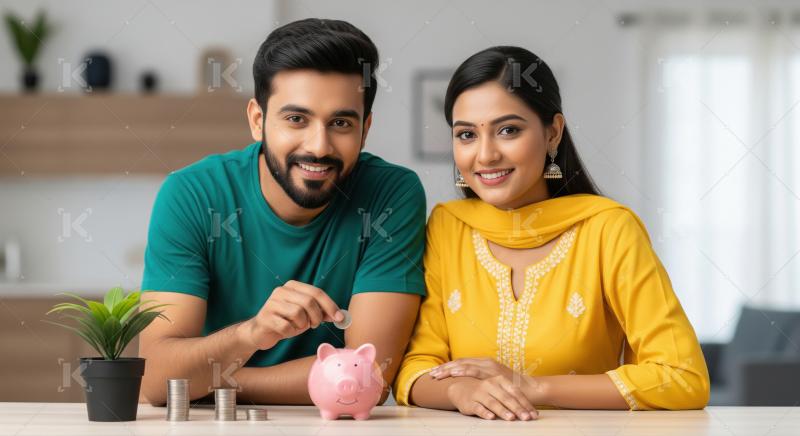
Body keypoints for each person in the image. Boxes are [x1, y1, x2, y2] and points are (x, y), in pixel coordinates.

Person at [394, 46, 710, 420]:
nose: (485, 155)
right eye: (466, 135)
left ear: (553, 133)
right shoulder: (449, 226)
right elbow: (414, 369)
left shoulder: (609, 229)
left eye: (508, 130)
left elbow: (682, 377)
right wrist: (459, 390)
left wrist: (532, 387)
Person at [139, 19, 426, 405]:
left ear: (366, 129)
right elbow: (156, 379)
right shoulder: (191, 194)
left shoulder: (391, 194)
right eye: (296, 119)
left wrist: (214, 381)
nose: (319, 146)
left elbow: (370, 377)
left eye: (340, 123)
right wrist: (250, 333)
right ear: (257, 120)